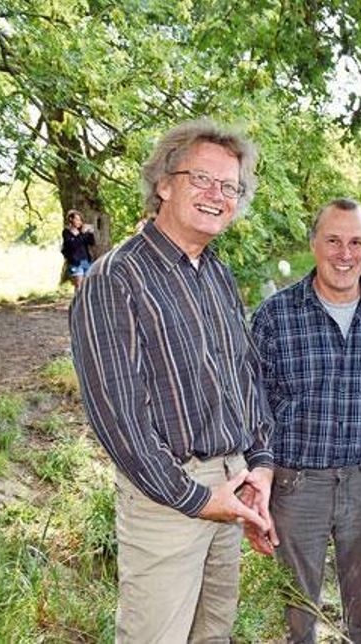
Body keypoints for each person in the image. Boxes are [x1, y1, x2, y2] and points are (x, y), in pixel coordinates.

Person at [69, 119, 278, 642]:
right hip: (166, 499)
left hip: (232, 482)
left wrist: (260, 466)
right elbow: (120, 419)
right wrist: (196, 498)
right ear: (164, 182)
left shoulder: (215, 272)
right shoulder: (114, 279)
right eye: (201, 179)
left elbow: (244, 375)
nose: (217, 195)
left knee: (213, 632)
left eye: (230, 187)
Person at [249, 198, 361, 644]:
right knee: (299, 615)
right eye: (333, 240)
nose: (344, 254)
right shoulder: (275, 316)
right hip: (296, 488)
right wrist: (254, 486)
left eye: (356, 242)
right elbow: (254, 408)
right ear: (314, 244)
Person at [61, 209, 95, 289]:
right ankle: (78, 301)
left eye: (80, 219)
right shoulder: (67, 232)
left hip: (86, 261)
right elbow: (74, 245)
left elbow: (92, 243)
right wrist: (82, 234)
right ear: (71, 219)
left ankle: (85, 301)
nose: (79, 221)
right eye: (77, 219)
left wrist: (90, 233)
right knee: (79, 287)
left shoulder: (81, 230)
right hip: (75, 262)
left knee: (87, 286)